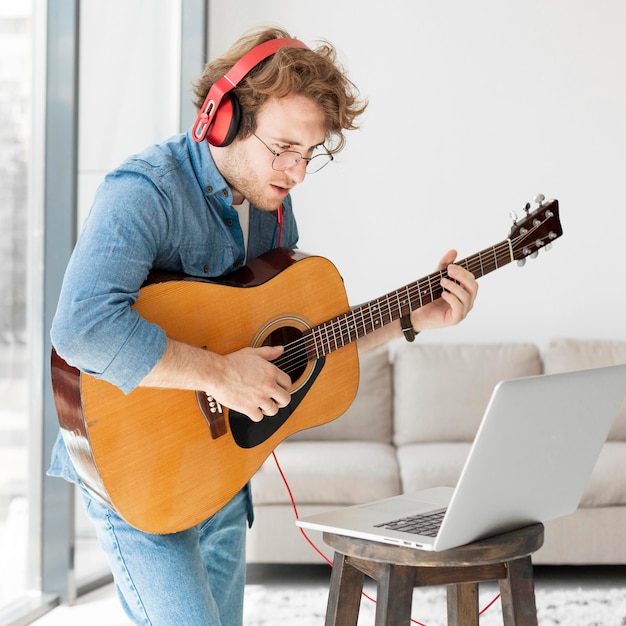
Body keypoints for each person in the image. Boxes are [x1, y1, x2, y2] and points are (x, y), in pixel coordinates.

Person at [48, 25, 479, 626]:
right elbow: (82, 327)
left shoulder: (272, 205)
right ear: (221, 119)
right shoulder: (145, 190)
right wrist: (221, 374)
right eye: (282, 149)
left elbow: (304, 339)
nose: (295, 173)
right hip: (134, 475)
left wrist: (412, 319)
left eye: (309, 155)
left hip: (222, 471)